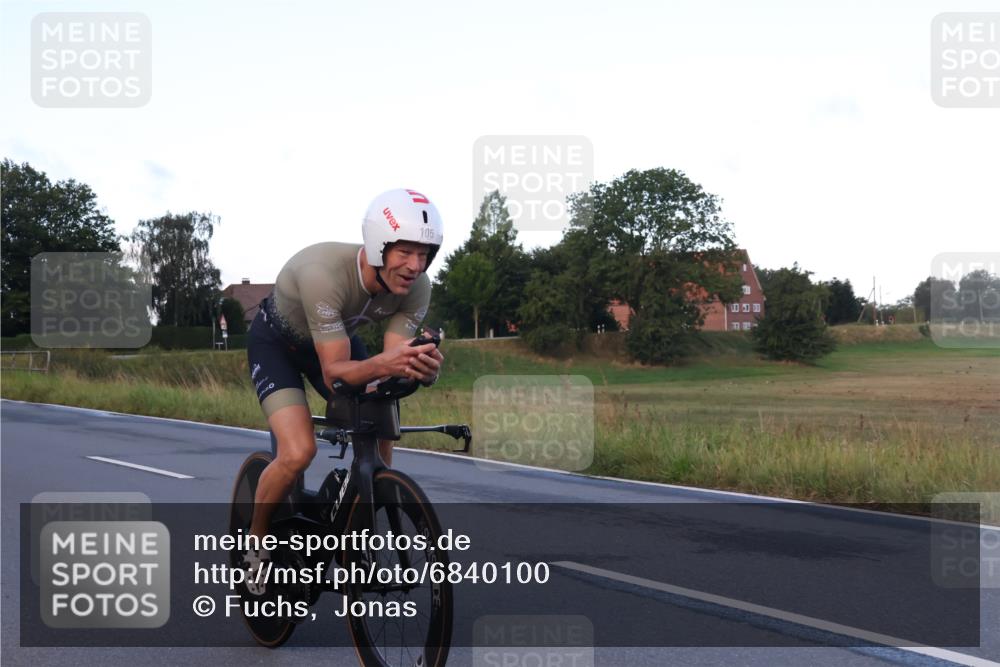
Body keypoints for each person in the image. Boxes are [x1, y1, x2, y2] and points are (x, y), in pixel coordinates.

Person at [244, 188, 445, 553]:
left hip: (337, 343)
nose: (415, 266)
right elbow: (335, 374)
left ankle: (360, 521)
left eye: (424, 254)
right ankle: (254, 545)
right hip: (278, 346)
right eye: (405, 252)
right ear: (379, 246)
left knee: (380, 416)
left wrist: (422, 370)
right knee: (298, 452)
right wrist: (386, 364)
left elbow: (392, 366)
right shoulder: (322, 274)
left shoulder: (417, 288)